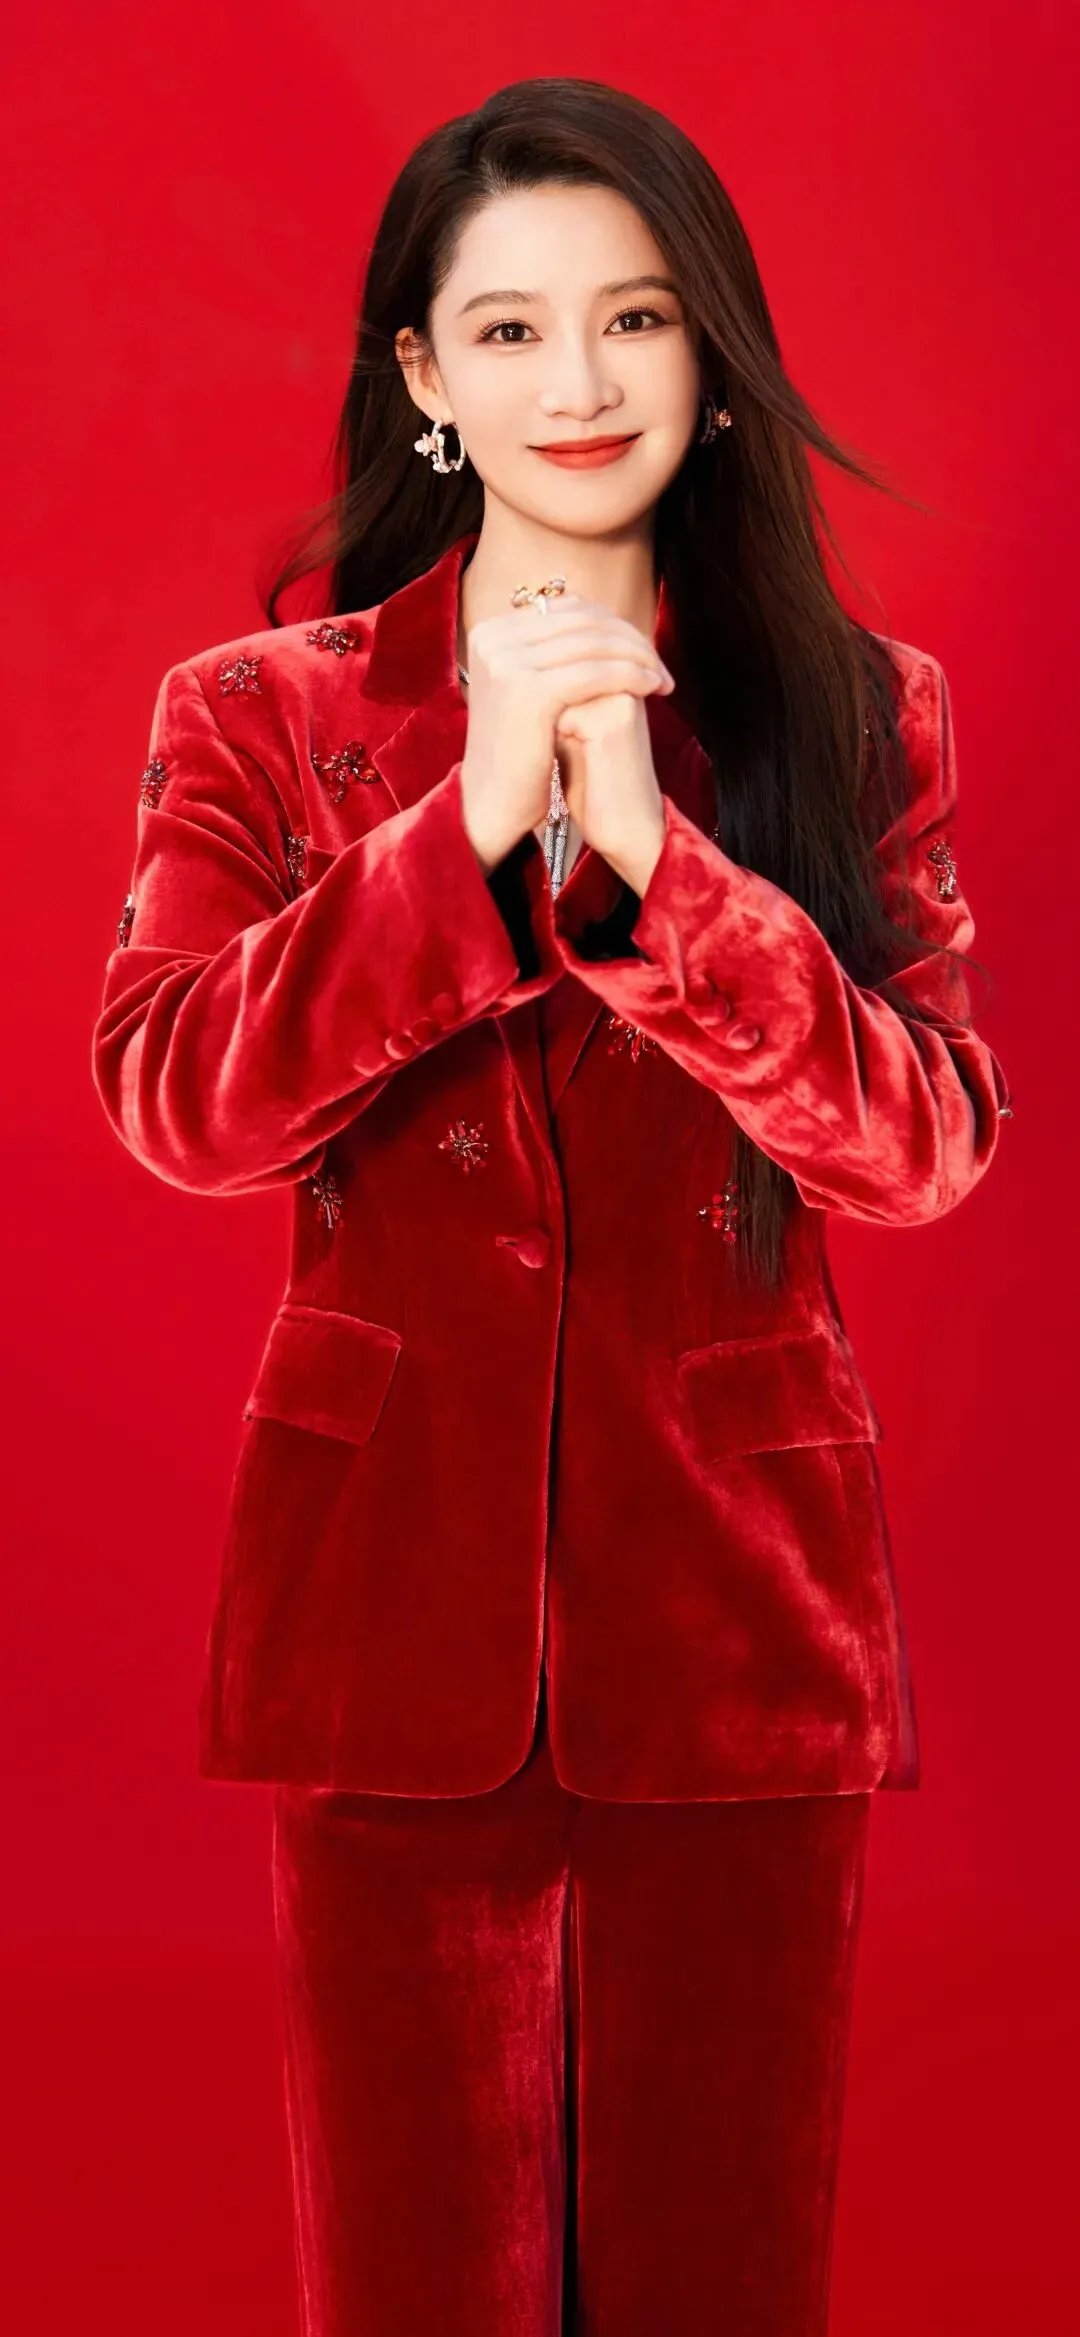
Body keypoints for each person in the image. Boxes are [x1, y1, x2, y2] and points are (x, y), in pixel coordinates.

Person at [91, 74, 1010, 2337]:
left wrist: (660, 874)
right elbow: (176, 1100)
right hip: (382, 1620)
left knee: (721, 2282)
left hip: (741, 1629)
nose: (577, 382)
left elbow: (923, 1142)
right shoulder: (260, 718)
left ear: (715, 358)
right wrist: (465, 829)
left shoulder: (858, 711)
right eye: (507, 329)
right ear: (423, 372)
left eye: (635, 318)